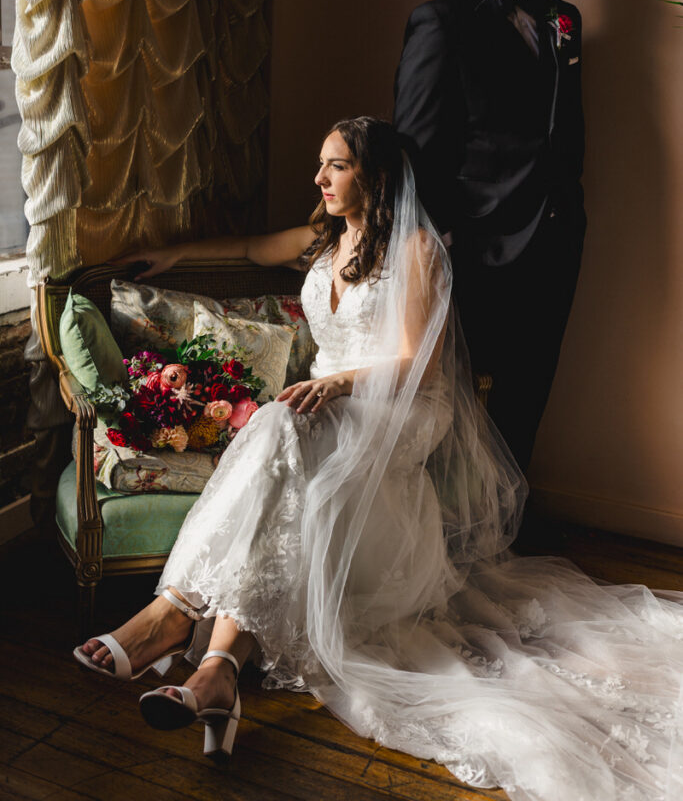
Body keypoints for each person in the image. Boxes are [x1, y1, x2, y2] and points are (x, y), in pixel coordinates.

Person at [74, 118, 683, 801]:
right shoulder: (322, 238)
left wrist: (337, 383)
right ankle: (216, 668)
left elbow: (417, 367)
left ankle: (173, 614)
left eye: (334, 166)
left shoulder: (415, 247)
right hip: (321, 406)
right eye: (320, 165)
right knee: (288, 450)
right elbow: (248, 245)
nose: (319, 180)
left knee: (280, 425)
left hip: (396, 405)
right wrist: (173, 254)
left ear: (376, 175)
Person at [394, 0, 586, 471]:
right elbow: (415, 145)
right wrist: (444, 236)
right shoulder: (440, 20)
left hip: (554, 238)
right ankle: (458, 542)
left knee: (529, 394)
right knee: (458, 407)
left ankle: (512, 533)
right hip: (475, 247)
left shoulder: (564, 18)